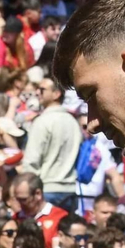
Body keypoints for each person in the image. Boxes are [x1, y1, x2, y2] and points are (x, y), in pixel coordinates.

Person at [24, 78, 83, 213]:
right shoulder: (73, 122)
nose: (37, 92)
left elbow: (31, 161)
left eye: (42, 89)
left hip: (47, 190)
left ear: (56, 94)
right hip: (70, 191)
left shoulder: (42, 121)